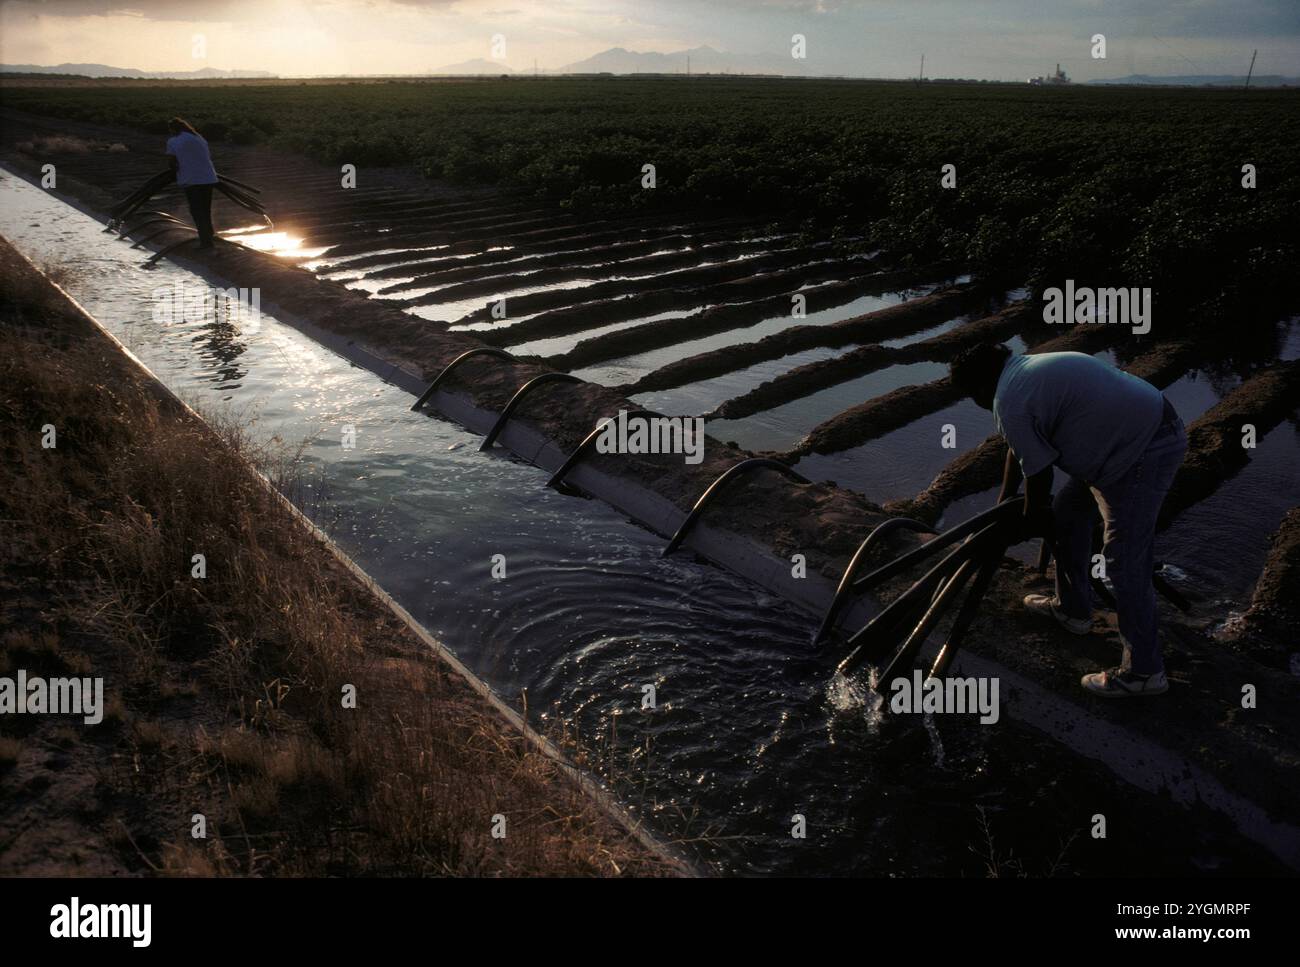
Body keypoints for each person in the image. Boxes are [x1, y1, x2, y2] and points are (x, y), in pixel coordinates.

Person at [948, 343, 1187, 698]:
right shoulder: (1026, 373)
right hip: (1134, 434)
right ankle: (1073, 611)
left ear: (981, 386)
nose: (977, 403)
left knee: (1124, 563)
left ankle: (1145, 672)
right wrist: (1003, 505)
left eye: (972, 395)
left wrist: (1028, 520)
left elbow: (1040, 476)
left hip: (1142, 450)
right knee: (1070, 512)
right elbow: (1020, 451)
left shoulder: (1008, 399)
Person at [165, 117, 219, 249]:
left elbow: (172, 162)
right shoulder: (199, 138)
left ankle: (206, 242)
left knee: (196, 210)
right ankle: (210, 234)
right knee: (205, 208)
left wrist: (174, 172)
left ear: (173, 130)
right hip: (209, 178)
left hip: (191, 179)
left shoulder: (173, 141)